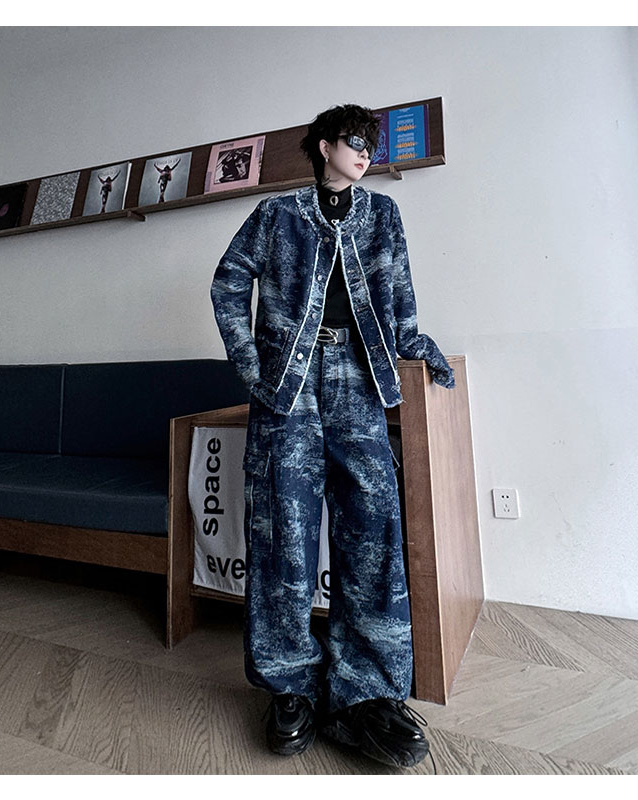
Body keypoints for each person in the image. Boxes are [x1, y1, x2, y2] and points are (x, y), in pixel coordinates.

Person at [210, 104, 454, 768]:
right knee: (282, 531)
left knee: (373, 527)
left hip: (359, 380)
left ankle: (366, 693)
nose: (366, 151)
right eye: (354, 140)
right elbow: (229, 284)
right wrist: (252, 364)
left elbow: (399, 295)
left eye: (372, 143)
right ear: (324, 146)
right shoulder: (276, 216)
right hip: (287, 384)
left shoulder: (383, 215)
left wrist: (414, 345)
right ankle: (289, 685)